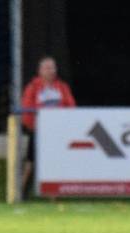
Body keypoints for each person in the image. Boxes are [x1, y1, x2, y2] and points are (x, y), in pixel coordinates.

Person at [20, 56, 76, 198]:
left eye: (53, 67)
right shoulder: (33, 87)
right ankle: (20, 192)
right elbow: (26, 109)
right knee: (30, 163)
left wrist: (63, 125)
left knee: (56, 162)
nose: (51, 71)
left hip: (57, 132)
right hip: (38, 131)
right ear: (40, 71)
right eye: (47, 68)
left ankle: (54, 196)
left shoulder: (62, 87)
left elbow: (71, 107)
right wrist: (33, 126)